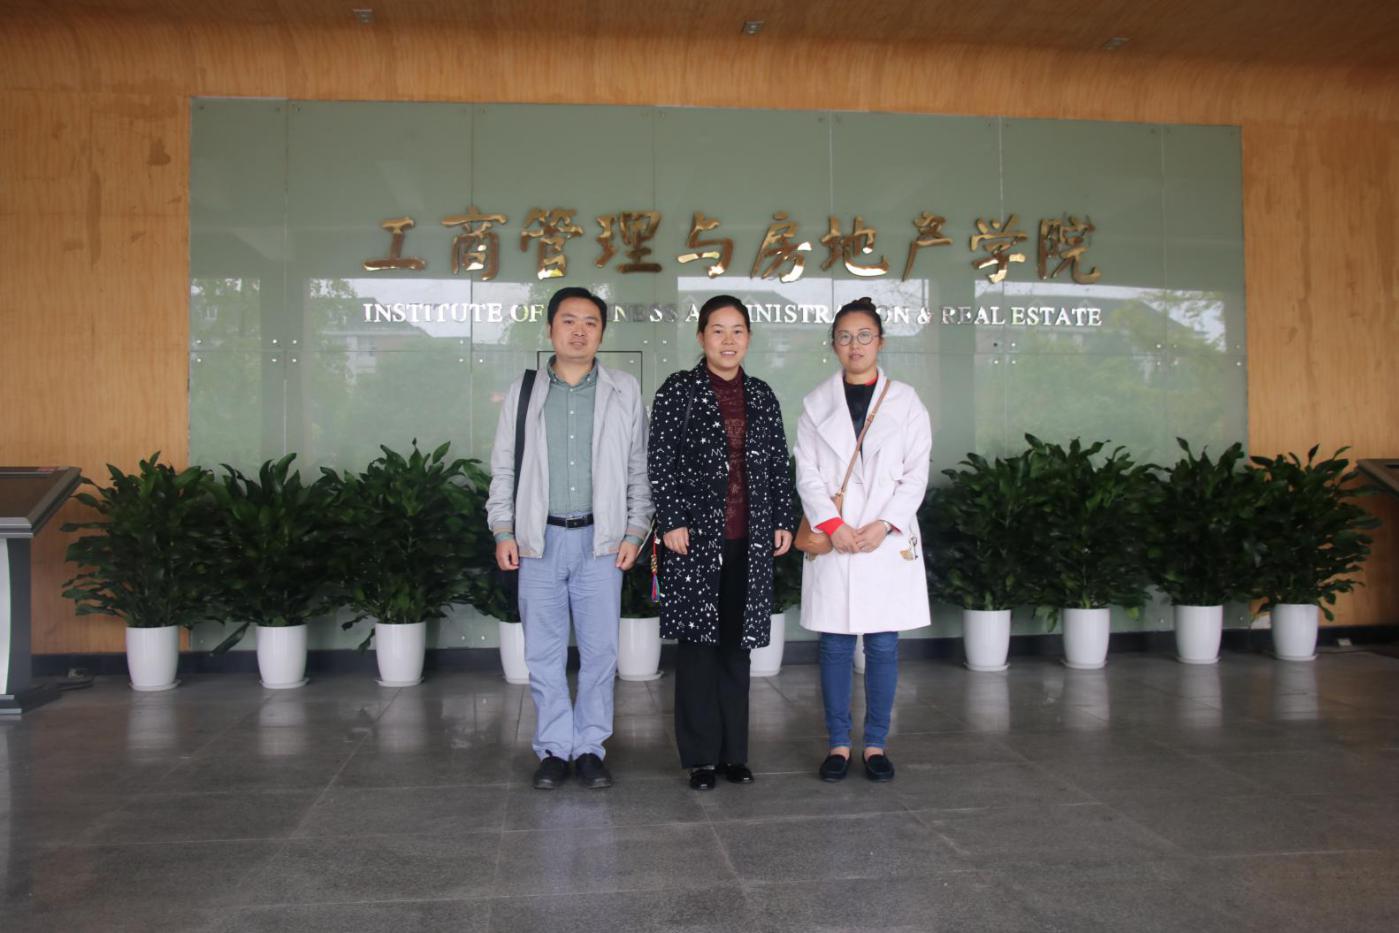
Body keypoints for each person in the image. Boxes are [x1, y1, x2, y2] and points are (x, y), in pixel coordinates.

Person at [487, 286, 653, 790]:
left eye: (590, 322)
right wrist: (502, 529)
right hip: (538, 542)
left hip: (601, 543)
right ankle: (555, 748)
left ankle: (590, 749)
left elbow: (639, 468)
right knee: (543, 653)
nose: (579, 331)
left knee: (601, 653)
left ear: (602, 332)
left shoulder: (624, 390)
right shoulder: (524, 391)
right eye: (568, 321)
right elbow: (504, 467)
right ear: (550, 328)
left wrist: (635, 531)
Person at [648, 294, 794, 790]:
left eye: (737, 331)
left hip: (749, 541)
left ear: (748, 338)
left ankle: (734, 755)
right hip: (695, 540)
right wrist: (671, 520)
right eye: (718, 330)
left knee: (736, 648)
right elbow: (660, 460)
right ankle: (700, 758)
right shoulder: (679, 390)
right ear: (701, 337)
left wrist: (782, 519)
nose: (728, 340)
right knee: (697, 650)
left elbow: (777, 464)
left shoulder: (762, 395)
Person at [794, 296, 932, 783]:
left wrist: (885, 524)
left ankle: (875, 743)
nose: (855, 345)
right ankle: (837, 743)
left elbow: (916, 474)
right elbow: (807, 474)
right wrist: (833, 526)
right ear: (833, 344)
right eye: (845, 337)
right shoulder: (815, 404)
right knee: (833, 645)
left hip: (882, 541)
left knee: (883, 646)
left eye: (864, 336)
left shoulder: (907, 402)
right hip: (836, 538)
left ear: (881, 342)